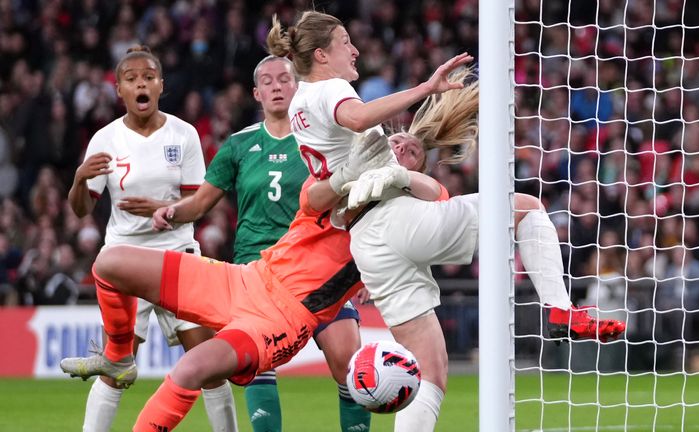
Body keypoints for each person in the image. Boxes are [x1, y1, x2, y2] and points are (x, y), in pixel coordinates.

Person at [266, 12, 626, 431]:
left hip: (368, 243)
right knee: (526, 207)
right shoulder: (330, 88)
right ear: (322, 54)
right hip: (395, 217)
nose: (355, 49)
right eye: (346, 41)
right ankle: (561, 310)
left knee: (428, 372)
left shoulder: (298, 110)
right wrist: (426, 88)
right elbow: (358, 118)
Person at [58, 127, 438, 431]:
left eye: (411, 152)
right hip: (246, 279)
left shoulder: (401, 219)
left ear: (415, 171)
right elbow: (314, 200)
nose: (400, 147)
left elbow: (439, 197)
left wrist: (400, 177)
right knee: (109, 263)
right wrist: (350, 176)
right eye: (396, 141)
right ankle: (119, 356)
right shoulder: (331, 182)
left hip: (283, 319)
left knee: (191, 369)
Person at [151, 55, 371, 432]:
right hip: (258, 271)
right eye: (266, 81)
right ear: (256, 93)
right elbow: (202, 202)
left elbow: (356, 204)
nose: (276, 86)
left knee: (348, 362)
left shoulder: (324, 141)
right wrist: (172, 212)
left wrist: (363, 270)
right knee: (259, 365)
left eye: (284, 79)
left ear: (298, 87)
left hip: (318, 269)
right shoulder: (239, 145)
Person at [64, 46, 238, 432]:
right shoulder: (105, 139)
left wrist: (162, 207)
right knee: (115, 368)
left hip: (177, 256)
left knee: (210, 363)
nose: (140, 82)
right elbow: (80, 210)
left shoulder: (185, 134)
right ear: (119, 90)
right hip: (124, 263)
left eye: (148, 76)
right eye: (131, 78)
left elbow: (200, 201)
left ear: (161, 85)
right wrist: (78, 179)